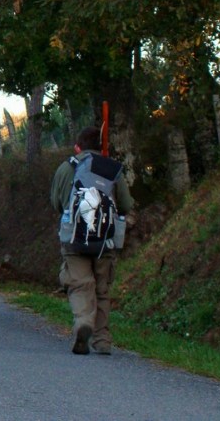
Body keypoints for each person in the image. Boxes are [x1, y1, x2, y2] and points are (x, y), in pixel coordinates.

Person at [50, 126, 134, 355]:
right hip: (104, 239)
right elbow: (125, 206)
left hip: (74, 237)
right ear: (101, 146)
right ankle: (103, 340)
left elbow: (56, 203)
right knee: (102, 288)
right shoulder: (113, 169)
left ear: (78, 146)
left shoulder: (67, 167)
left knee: (80, 285)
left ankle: (83, 324)